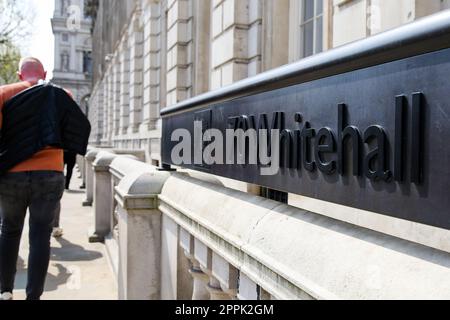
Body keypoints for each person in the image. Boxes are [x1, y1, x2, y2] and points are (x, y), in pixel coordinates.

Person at [0, 57, 90, 300]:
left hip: (11, 175)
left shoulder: (3, 93)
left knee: (9, 231)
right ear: (45, 72)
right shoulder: (63, 95)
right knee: (40, 235)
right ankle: (33, 297)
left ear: (19, 75)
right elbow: (73, 129)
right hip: (50, 174)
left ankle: (5, 291)